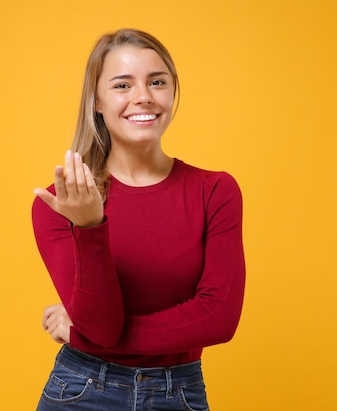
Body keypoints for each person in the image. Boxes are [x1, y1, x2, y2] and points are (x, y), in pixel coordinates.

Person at [31, 28, 245, 411]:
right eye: (122, 85)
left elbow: (218, 318)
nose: (143, 96)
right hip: (80, 392)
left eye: (157, 82)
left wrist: (82, 333)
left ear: (172, 91)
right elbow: (102, 326)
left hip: (178, 393)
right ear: (96, 101)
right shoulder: (59, 204)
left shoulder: (215, 191)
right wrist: (90, 227)